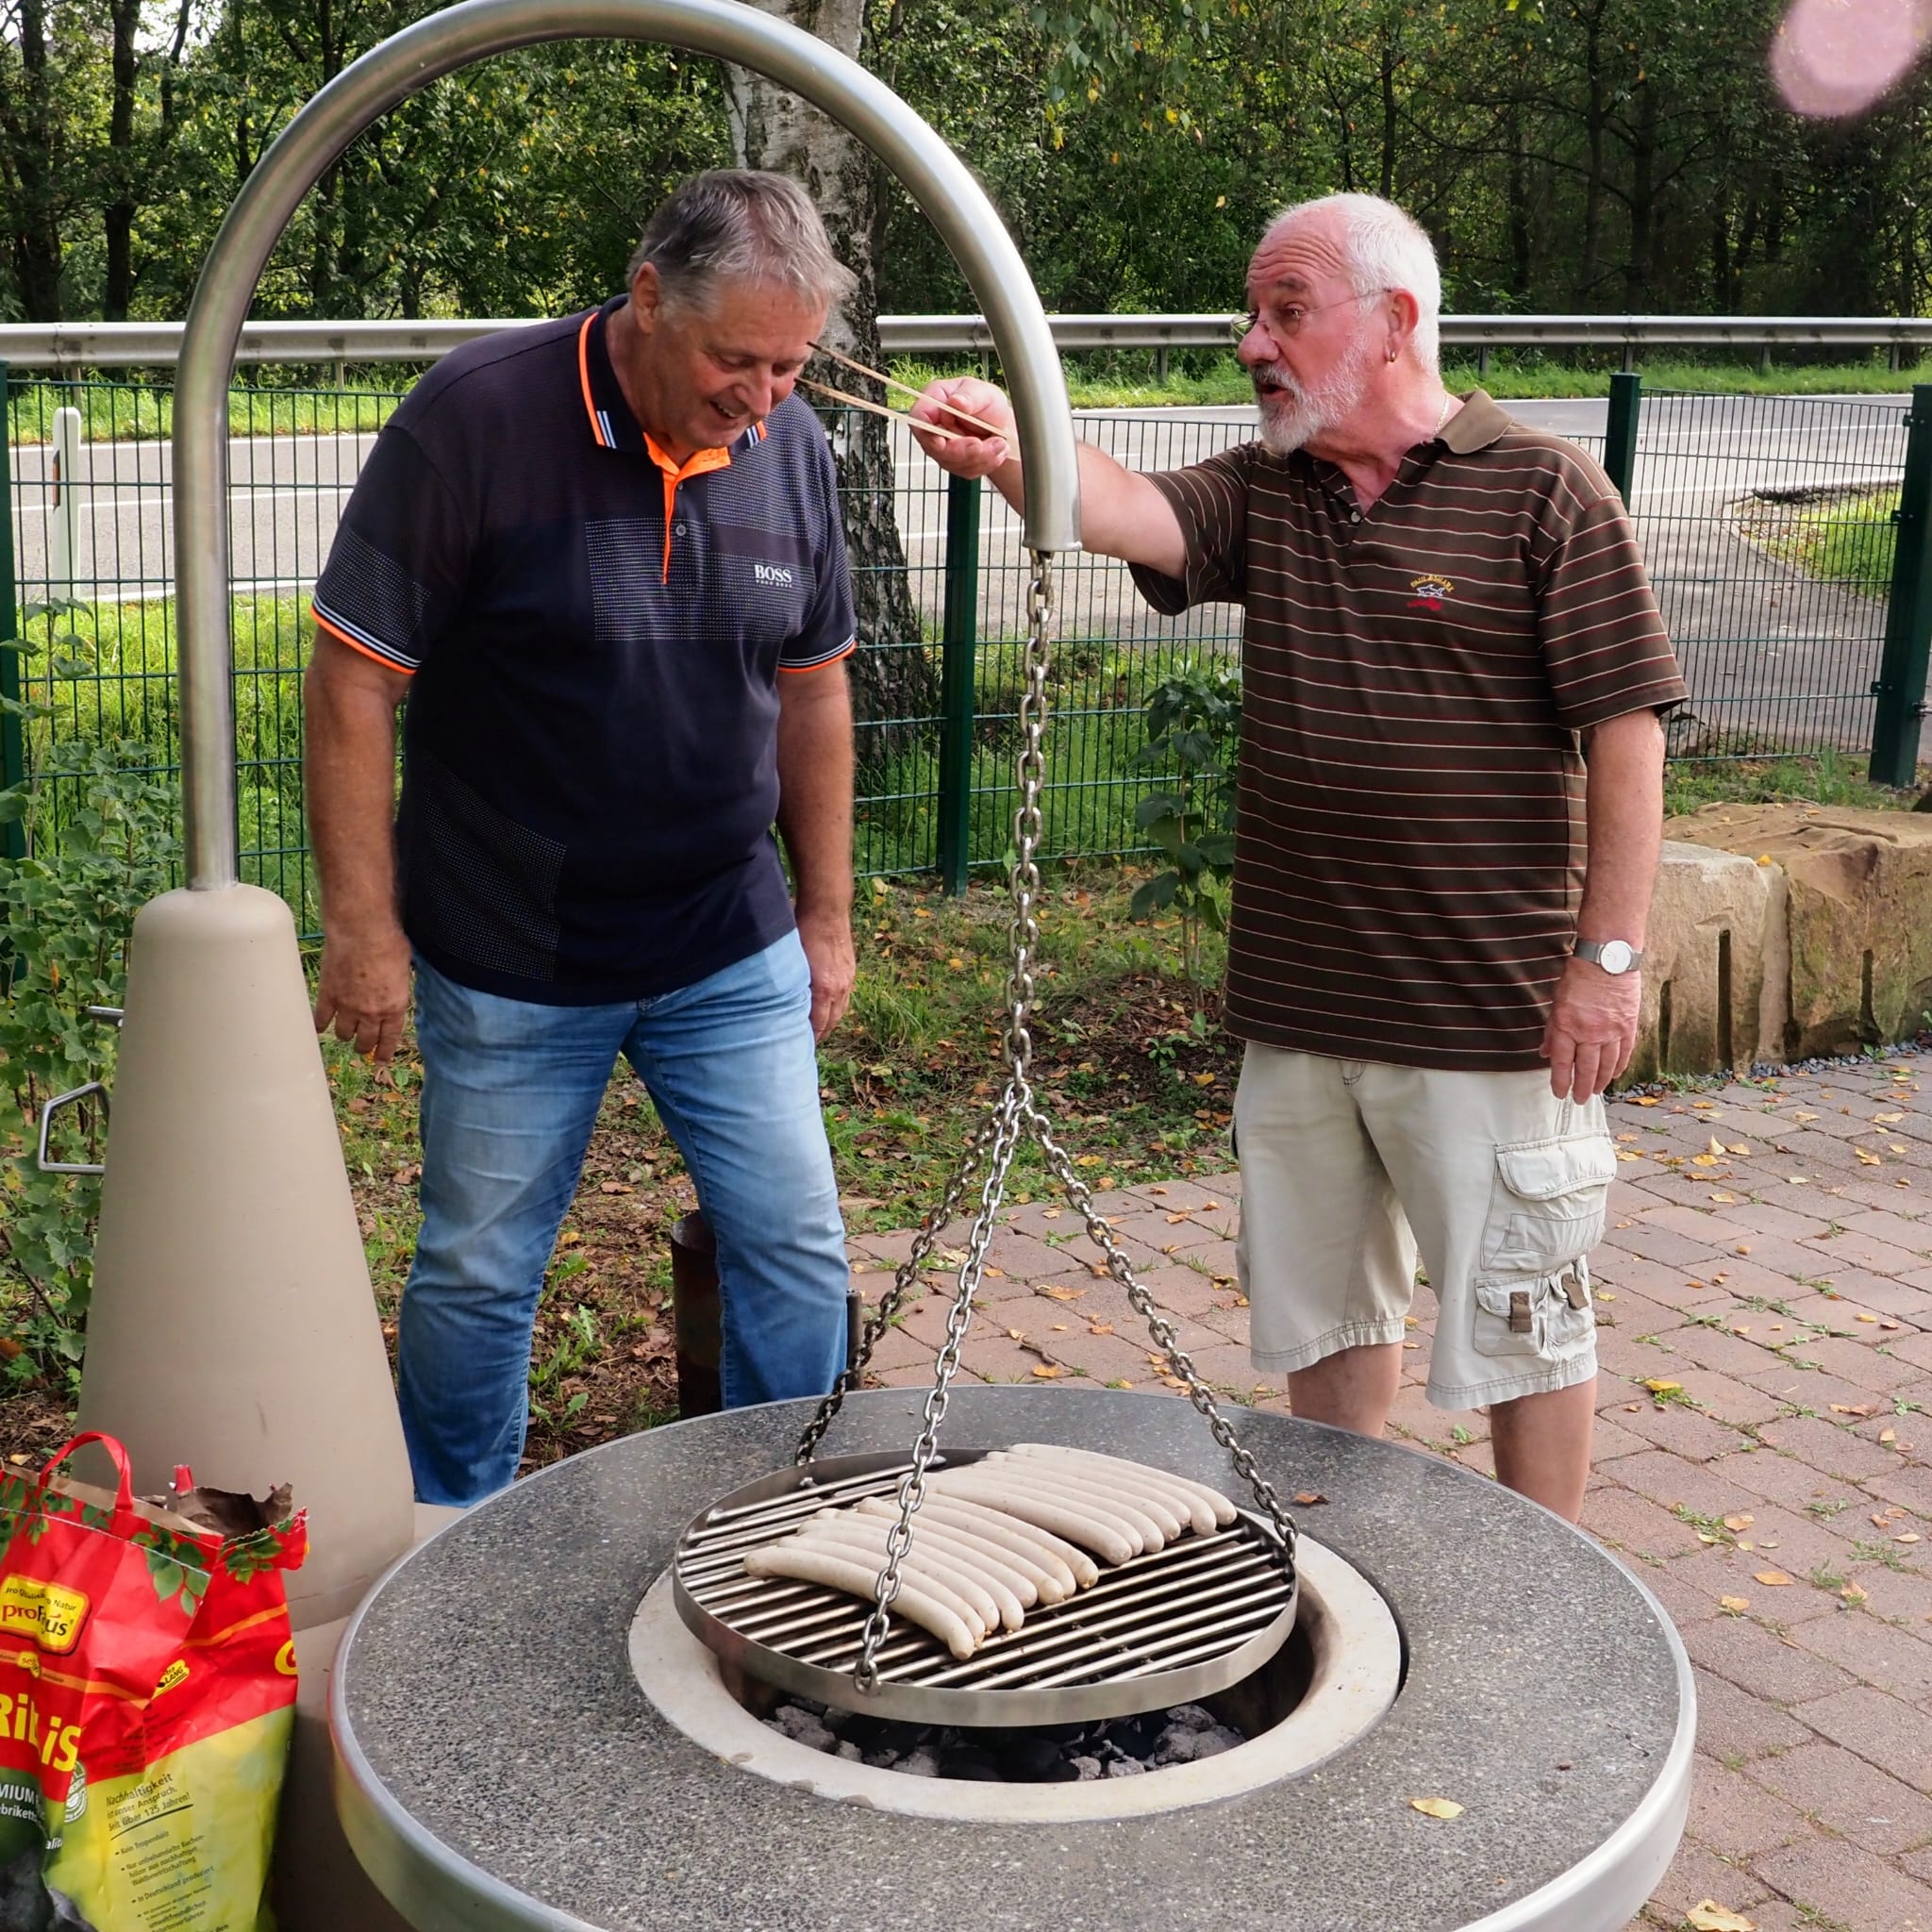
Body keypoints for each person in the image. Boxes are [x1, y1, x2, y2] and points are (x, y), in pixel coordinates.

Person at [912, 192, 1685, 1522]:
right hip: (1301, 1010)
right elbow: (1128, 510)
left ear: (1392, 323)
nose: (1253, 344)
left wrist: (1606, 962)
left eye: (1286, 312)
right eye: (1250, 316)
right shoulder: (1270, 489)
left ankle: (1561, 1592)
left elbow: (1626, 733)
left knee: (1525, 1323)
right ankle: (1351, 1558)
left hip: (1489, 1019)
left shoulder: (1545, 490)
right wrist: (1008, 448)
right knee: (1322, 1321)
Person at [304, 171, 860, 1507]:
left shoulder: (794, 449)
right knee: (482, 1264)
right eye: (738, 359)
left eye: (791, 366)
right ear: (649, 294)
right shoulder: (478, 418)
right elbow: (349, 681)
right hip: (510, 945)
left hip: (725, 937)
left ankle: (797, 1519)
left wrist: (828, 914)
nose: (763, 396)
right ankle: (448, 1527)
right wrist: (365, 931)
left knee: (794, 1244)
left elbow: (816, 687)